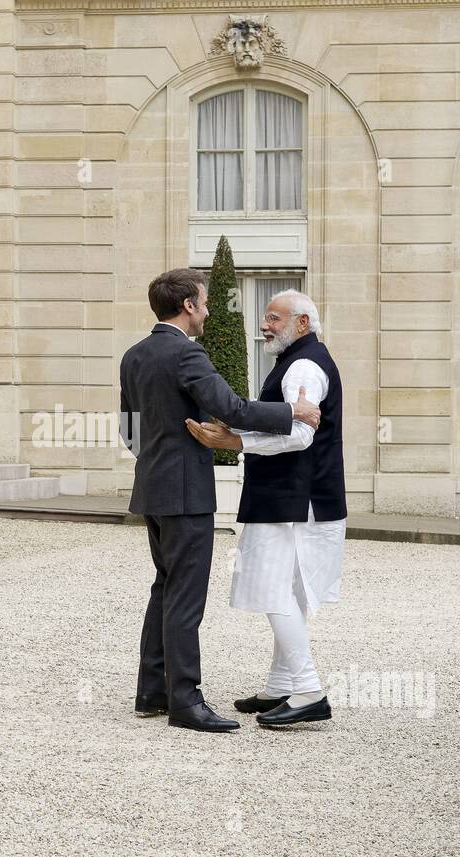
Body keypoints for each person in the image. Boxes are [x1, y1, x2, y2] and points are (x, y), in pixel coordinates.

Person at [119, 268, 320, 733]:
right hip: (186, 492)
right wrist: (294, 411)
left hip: (150, 486)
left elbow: (129, 429)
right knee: (185, 597)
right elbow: (231, 409)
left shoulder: (134, 355)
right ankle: (185, 703)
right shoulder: (187, 355)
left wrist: (154, 459)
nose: (209, 311)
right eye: (205, 303)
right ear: (188, 306)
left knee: (165, 589)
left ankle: (151, 692)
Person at [187, 291, 345, 728]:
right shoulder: (300, 360)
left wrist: (235, 441)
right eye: (266, 317)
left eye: (274, 318)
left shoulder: (304, 366)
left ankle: (310, 690)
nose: (264, 325)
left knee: (274, 587)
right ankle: (281, 684)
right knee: (288, 591)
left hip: (293, 499)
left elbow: (299, 435)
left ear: (302, 323)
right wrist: (237, 426)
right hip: (299, 497)